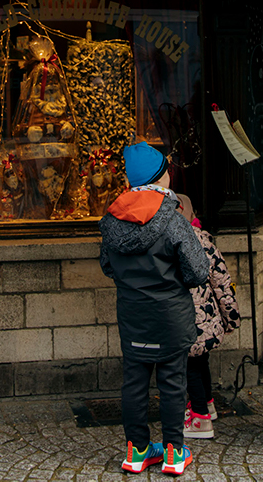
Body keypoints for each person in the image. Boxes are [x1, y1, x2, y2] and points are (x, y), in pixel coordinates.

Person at [100, 141, 211, 475]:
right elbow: (198, 271)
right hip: (171, 317)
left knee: (134, 383)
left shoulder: (111, 219)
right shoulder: (173, 220)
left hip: (132, 315)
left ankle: (136, 451)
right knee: (173, 383)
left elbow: (108, 266)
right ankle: (174, 452)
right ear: (161, 177)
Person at [176, 194, 241, 440]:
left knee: (191, 366)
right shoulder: (205, 240)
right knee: (201, 361)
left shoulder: (173, 242)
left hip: (187, 319)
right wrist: (230, 318)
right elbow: (222, 283)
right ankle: (208, 404)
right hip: (207, 320)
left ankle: (200, 418)